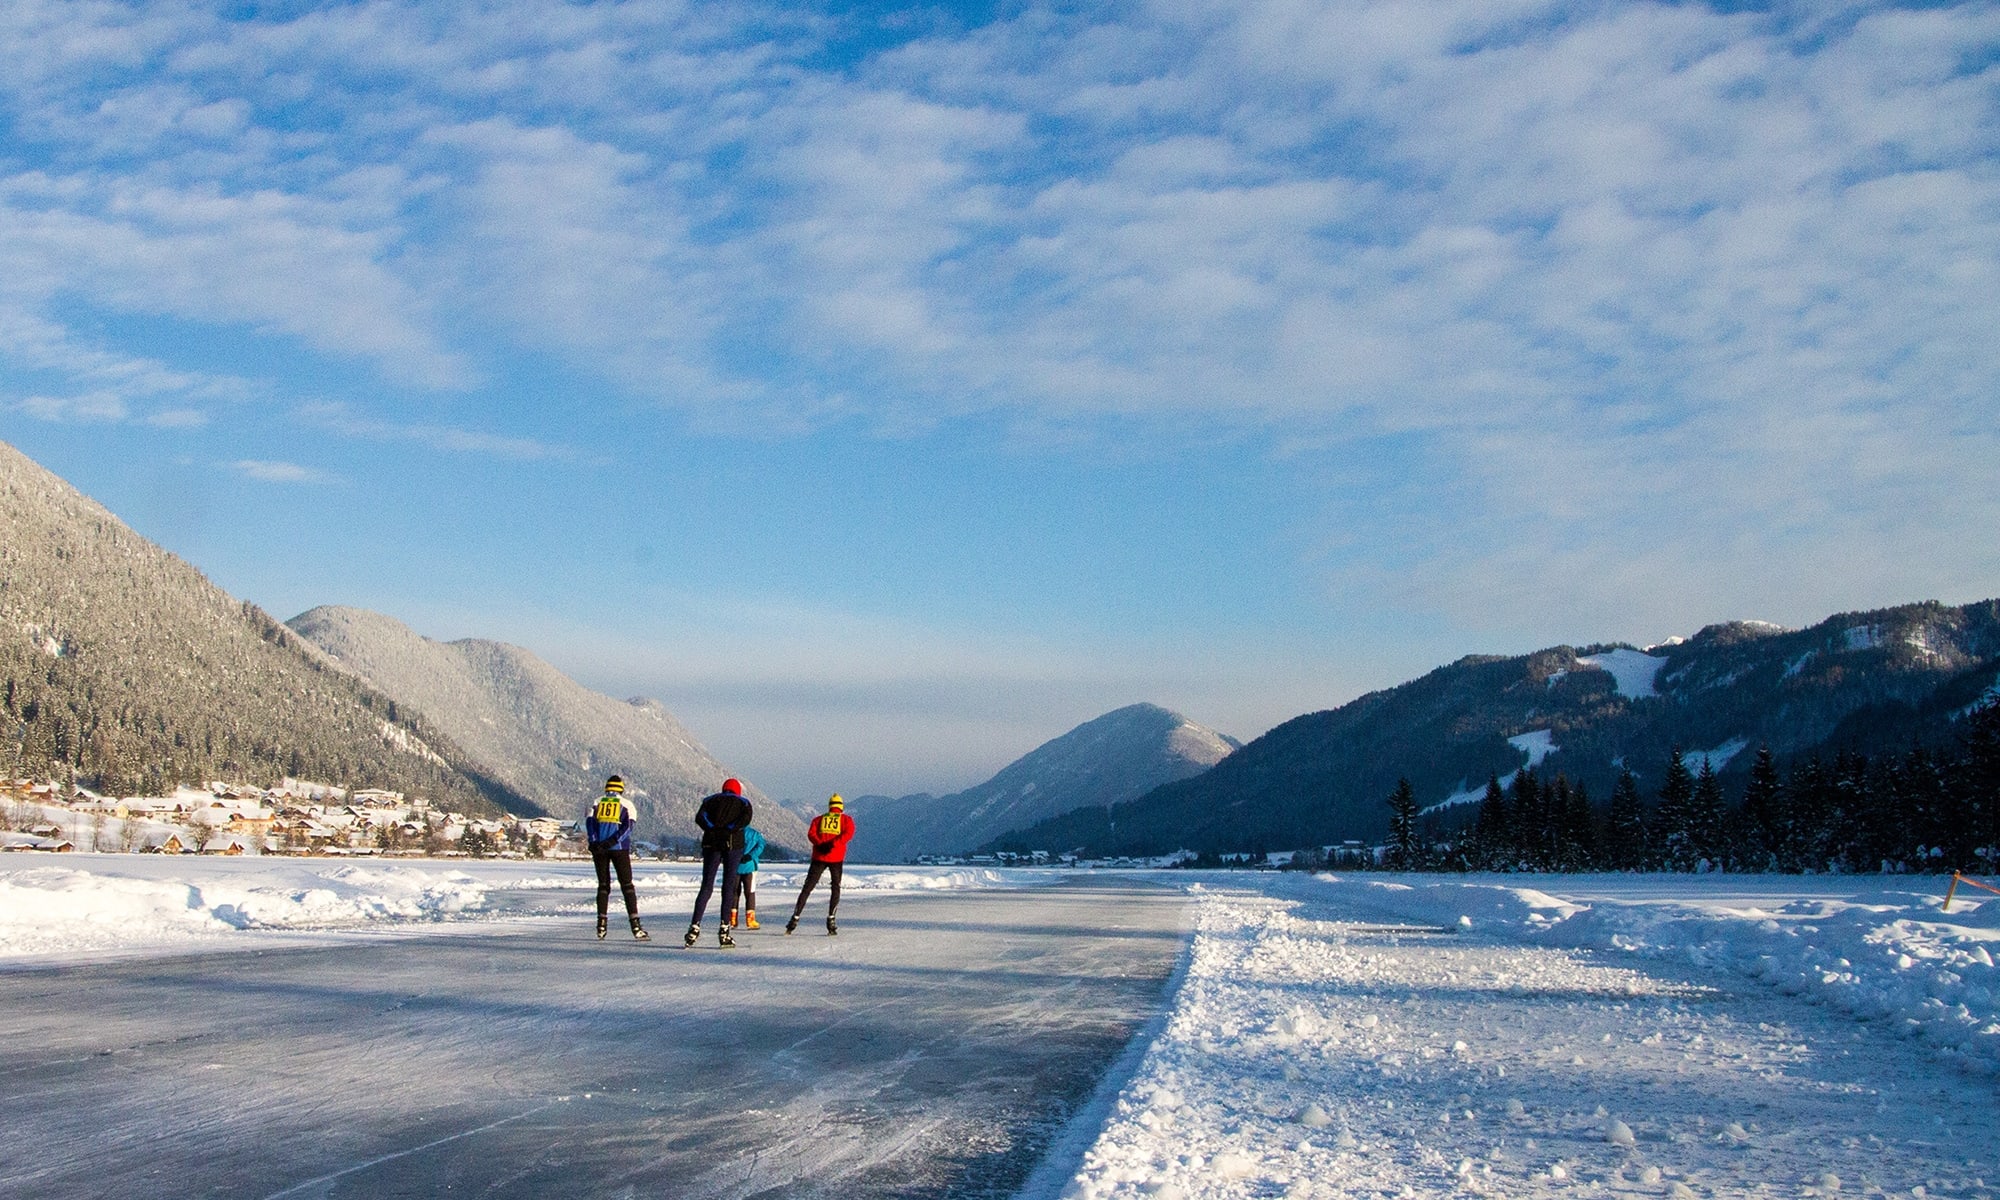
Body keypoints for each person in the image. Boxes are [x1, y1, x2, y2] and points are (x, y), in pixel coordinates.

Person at [685, 777, 753, 948]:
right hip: (733, 845)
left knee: (707, 885)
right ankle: (724, 930)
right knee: (728, 887)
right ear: (738, 790)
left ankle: (694, 927)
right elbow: (745, 821)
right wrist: (728, 829)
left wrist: (713, 829)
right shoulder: (744, 802)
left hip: (711, 843)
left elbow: (700, 817)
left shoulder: (709, 800)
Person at [586, 775, 648, 941]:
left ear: (606, 788)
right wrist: (613, 841)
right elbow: (628, 827)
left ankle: (601, 925)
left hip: (599, 849)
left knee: (603, 886)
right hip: (619, 848)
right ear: (621, 789)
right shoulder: (627, 804)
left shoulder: (596, 802)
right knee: (627, 886)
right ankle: (636, 926)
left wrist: (594, 842)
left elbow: (590, 824)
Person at [786, 793, 855, 936]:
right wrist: (833, 844)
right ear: (841, 807)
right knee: (835, 887)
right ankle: (831, 919)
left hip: (818, 857)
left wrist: (821, 844)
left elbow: (811, 834)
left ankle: (795, 918)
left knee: (807, 888)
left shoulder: (818, 819)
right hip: (836, 858)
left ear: (830, 806)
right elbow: (848, 834)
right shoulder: (846, 820)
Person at [727, 824, 767, 930]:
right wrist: (750, 855)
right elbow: (761, 845)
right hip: (750, 866)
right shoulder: (755, 834)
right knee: (750, 893)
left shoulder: (732, 832)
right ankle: (750, 920)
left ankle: (733, 919)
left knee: (734, 892)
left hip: (734, 866)